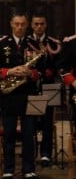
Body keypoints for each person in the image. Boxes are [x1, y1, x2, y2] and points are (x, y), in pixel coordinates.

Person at [0, 12, 44, 179]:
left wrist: (31, 72)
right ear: (11, 24)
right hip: (9, 95)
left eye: (23, 24)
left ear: (27, 25)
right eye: (17, 24)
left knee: (29, 134)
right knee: (9, 134)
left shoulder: (34, 44)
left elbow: (44, 70)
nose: (20, 27)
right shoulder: (0, 44)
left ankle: (29, 170)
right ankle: (8, 170)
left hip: (28, 94)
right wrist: (9, 71)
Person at [28, 13, 62, 167]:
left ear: (46, 25)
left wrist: (52, 71)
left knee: (48, 122)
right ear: (32, 25)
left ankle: (46, 154)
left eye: (42, 23)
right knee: (31, 122)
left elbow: (60, 62)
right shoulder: (26, 42)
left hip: (48, 87)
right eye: (36, 24)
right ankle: (31, 152)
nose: (39, 26)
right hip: (31, 86)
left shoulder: (53, 43)